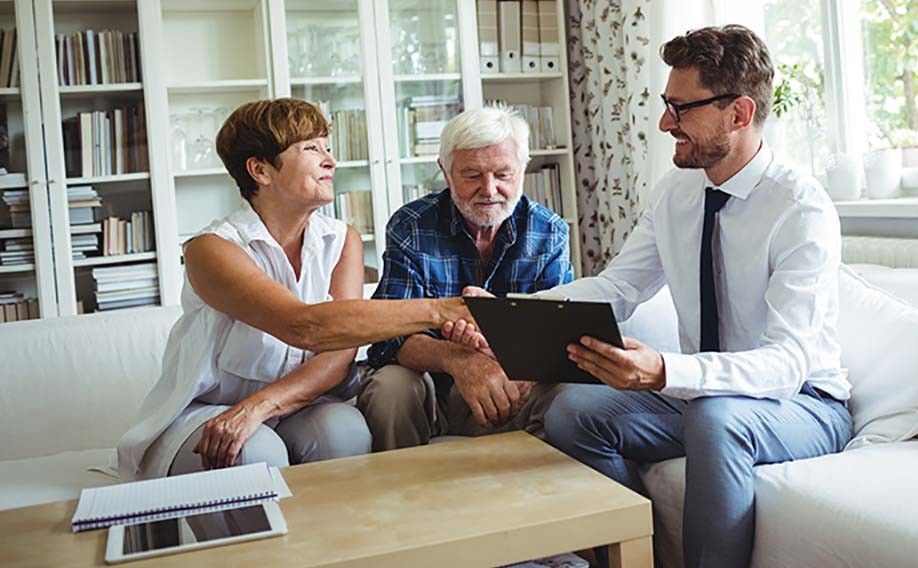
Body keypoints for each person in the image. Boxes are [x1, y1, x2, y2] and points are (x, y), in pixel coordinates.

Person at [457, 25, 852, 567]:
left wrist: (666, 371)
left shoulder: (799, 209)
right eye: (668, 105)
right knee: (573, 411)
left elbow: (787, 365)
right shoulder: (677, 191)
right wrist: (514, 313)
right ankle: (638, 556)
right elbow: (618, 288)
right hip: (704, 394)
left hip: (802, 403)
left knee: (716, 419)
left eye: (682, 109)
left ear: (738, 113)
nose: (666, 123)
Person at [116, 98, 474, 481]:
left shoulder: (342, 241)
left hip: (295, 404)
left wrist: (260, 406)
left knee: (346, 431)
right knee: (256, 452)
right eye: (310, 148)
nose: (330, 161)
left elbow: (337, 356)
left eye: (327, 147)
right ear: (260, 170)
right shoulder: (211, 249)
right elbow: (303, 326)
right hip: (210, 408)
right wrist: (447, 310)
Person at [356, 106, 573, 451]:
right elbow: (388, 340)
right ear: (445, 171)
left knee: (568, 394)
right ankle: (402, 496)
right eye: (472, 175)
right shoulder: (412, 226)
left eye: (503, 174)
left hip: (512, 382)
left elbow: (558, 338)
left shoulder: (549, 232)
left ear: (522, 168)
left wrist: (503, 347)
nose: (489, 190)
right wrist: (458, 358)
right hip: (432, 390)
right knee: (391, 387)